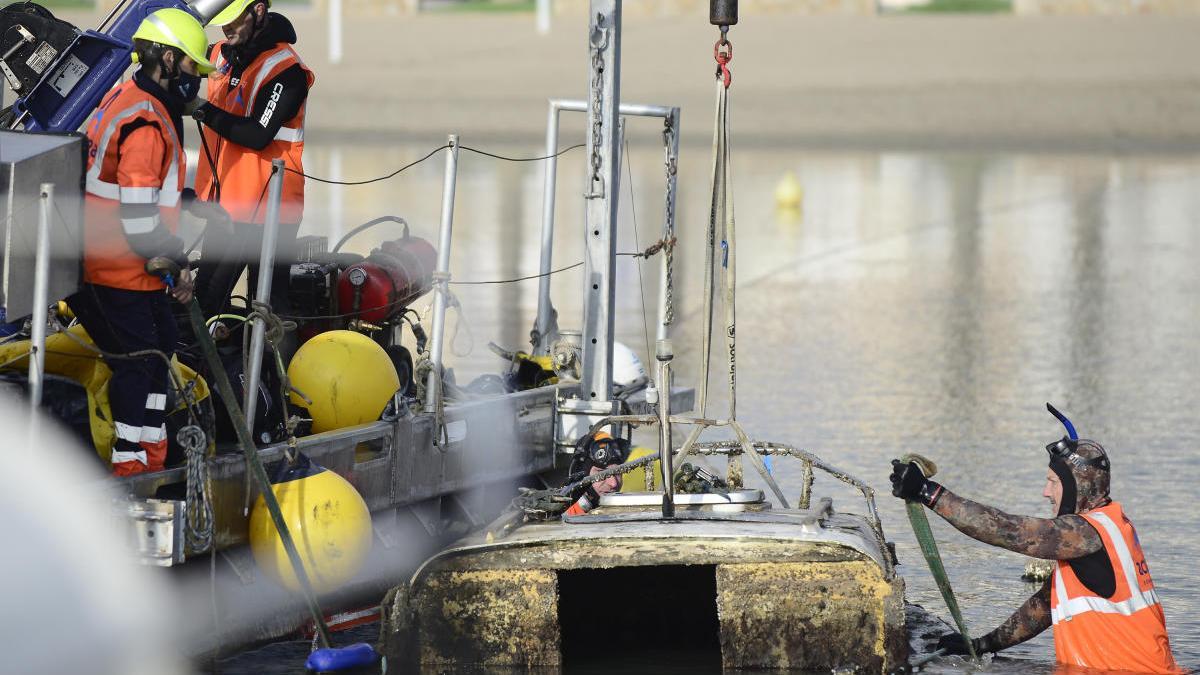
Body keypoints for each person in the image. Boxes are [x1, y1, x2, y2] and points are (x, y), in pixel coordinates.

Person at [889, 404, 1179, 673]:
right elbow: (1042, 608)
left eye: (1053, 482)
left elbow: (1005, 530)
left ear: (1078, 488)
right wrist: (982, 645)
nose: (1045, 492)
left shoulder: (1085, 533)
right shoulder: (1113, 526)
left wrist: (928, 492)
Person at [68, 8, 215, 476]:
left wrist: (185, 200)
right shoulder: (148, 123)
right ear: (167, 61)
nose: (198, 80)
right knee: (138, 362)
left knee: (163, 346)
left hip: (121, 264)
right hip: (116, 267)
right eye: (194, 68)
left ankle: (153, 450)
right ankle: (130, 466)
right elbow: (137, 218)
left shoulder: (129, 97)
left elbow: (140, 190)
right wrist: (178, 266)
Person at [191, 0, 314, 316]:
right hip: (226, 207)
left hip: (271, 210)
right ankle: (222, 362)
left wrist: (199, 109)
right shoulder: (220, 53)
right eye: (222, 20)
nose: (226, 27)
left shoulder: (287, 71)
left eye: (234, 20)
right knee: (206, 302)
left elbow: (257, 134)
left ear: (258, 11)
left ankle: (279, 365)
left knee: (269, 308)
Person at [564, 431, 629, 516]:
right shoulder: (560, 517)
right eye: (602, 473)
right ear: (581, 475)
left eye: (618, 472)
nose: (613, 483)